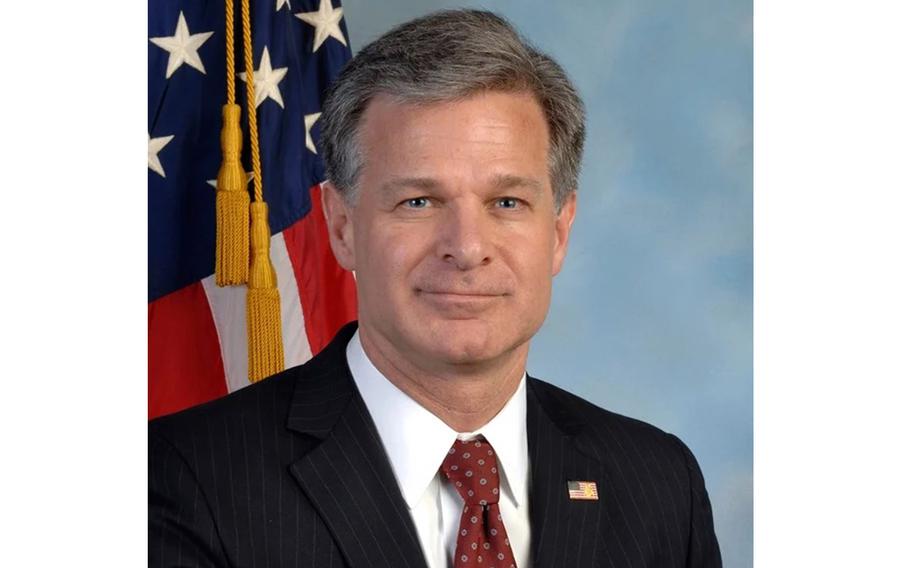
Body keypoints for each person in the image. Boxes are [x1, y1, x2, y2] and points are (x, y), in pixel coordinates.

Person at [149, 9, 722, 568]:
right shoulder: (184, 480)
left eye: (507, 203)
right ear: (342, 227)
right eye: (417, 201)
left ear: (558, 231)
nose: (467, 247)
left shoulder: (658, 483)